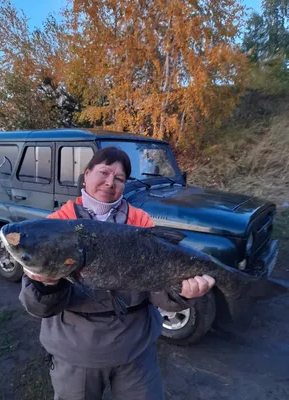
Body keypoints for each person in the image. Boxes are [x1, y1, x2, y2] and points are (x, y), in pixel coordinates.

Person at [19, 146, 215, 400]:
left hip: (136, 351)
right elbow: (38, 307)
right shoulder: (58, 222)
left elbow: (158, 293)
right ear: (86, 175)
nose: (110, 182)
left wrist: (183, 295)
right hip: (78, 353)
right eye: (104, 172)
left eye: (119, 178)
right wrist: (46, 286)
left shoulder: (140, 221)